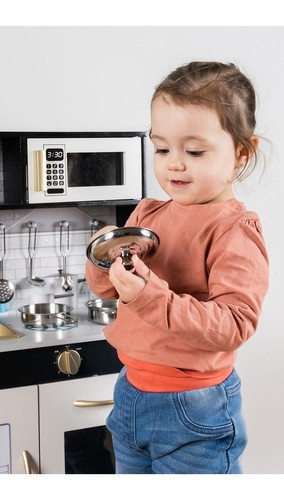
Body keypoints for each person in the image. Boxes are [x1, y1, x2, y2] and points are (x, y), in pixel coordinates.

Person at [85, 61, 269, 474]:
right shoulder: (147, 213)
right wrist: (102, 254)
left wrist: (148, 296)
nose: (174, 164)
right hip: (130, 393)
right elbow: (108, 289)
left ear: (241, 152)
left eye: (194, 151)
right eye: (162, 149)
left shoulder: (233, 230)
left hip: (195, 407)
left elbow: (234, 324)